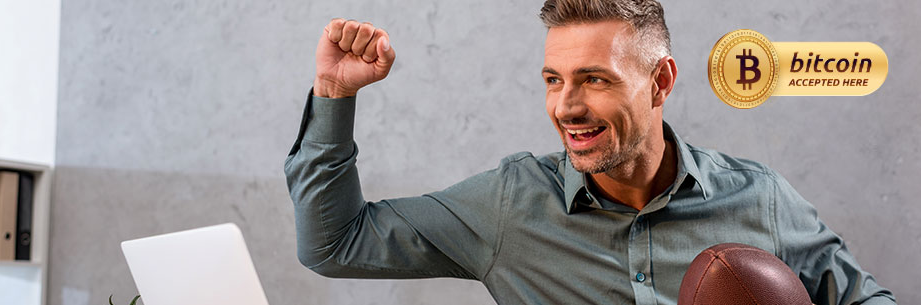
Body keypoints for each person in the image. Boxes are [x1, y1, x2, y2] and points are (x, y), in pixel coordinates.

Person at [283, 0, 896, 304]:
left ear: (660, 82)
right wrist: (334, 92)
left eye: (595, 80)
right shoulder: (509, 205)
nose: (566, 107)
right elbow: (335, 245)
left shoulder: (758, 199)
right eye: (554, 79)